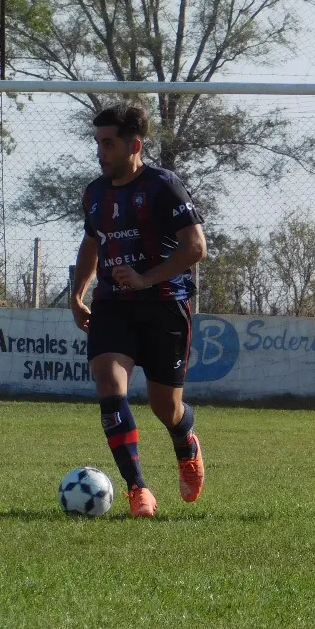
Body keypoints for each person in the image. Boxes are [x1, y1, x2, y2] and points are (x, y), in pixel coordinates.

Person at [69, 103, 207, 518]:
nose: (101, 152)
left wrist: (148, 277)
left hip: (165, 307)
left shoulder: (164, 185)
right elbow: (92, 243)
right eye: (98, 143)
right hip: (113, 305)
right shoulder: (94, 193)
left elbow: (195, 248)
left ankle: (186, 443)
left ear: (135, 145)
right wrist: (78, 294)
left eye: (108, 144)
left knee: (166, 407)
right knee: (110, 387)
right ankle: (138, 489)